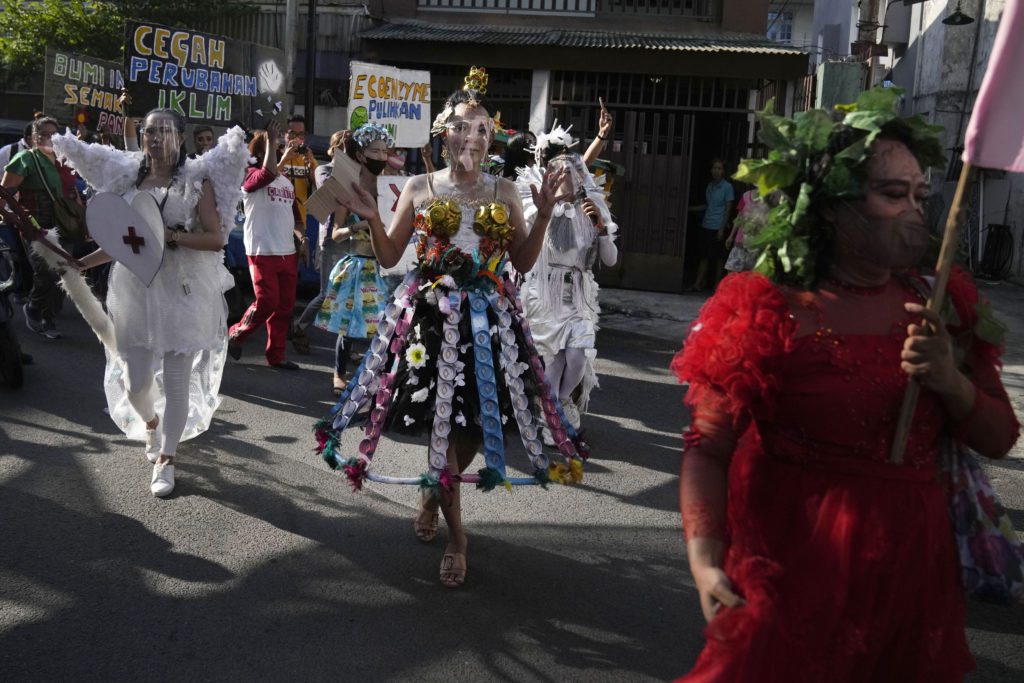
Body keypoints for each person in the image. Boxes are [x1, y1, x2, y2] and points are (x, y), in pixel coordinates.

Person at [671, 91, 1020, 680]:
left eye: (920, 196)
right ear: (833, 207)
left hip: (910, 577)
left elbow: (1000, 436)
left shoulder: (944, 306)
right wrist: (705, 560)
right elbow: (708, 447)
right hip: (785, 571)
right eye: (892, 195)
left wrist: (950, 382)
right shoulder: (764, 307)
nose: (914, 212)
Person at [313, 66, 586, 589]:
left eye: (482, 128)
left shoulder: (506, 190)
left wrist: (546, 213)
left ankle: (434, 493)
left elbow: (524, 264)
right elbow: (393, 254)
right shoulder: (418, 186)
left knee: (472, 429)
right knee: (445, 424)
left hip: (488, 322)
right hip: (432, 323)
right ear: (444, 134)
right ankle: (459, 538)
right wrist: (371, 215)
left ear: (491, 138)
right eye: (463, 126)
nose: (472, 137)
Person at [52, 109, 249, 497]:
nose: (155, 138)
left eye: (164, 131)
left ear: (180, 137)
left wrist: (173, 238)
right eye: (149, 131)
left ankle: (167, 458)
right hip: (134, 291)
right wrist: (80, 263)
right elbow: (123, 244)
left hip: (182, 291)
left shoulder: (197, 180)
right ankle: (152, 424)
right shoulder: (128, 178)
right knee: (135, 381)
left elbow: (215, 239)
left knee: (177, 382)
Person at [519, 124, 618, 435]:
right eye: (558, 174)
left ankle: (562, 402)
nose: (566, 178)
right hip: (544, 291)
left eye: (572, 175)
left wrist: (601, 230)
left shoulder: (593, 210)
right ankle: (550, 414)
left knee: (578, 354)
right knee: (553, 360)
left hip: (576, 295)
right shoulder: (536, 208)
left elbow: (610, 259)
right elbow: (522, 245)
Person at [312, 124, 393, 395]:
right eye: (375, 151)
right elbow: (335, 233)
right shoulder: (345, 188)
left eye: (384, 151)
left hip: (383, 266)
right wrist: (359, 227)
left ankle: (374, 376)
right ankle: (339, 373)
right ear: (361, 155)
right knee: (347, 326)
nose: (381, 157)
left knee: (384, 325)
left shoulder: (391, 187)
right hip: (356, 264)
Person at [227, 122, 305, 370]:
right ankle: (236, 334)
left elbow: (297, 218)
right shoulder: (249, 176)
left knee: (284, 307)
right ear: (261, 151)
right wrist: (272, 140)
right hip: (262, 251)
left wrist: (302, 238)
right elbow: (267, 173)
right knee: (267, 302)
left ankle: (276, 355)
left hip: (287, 252)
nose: (281, 147)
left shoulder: (286, 182)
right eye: (274, 144)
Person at [1, 116, 83, 340]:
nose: (49, 138)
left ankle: (49, 317)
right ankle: (35, 308)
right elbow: (4, 192)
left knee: (64, 271)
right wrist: (8, 217)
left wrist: (82, 220)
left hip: (65, 225)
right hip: (37, 226)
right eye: (44, 134)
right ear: (34, 138)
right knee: (46, 271)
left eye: (54, 134)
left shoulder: (64, 161)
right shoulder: (24, 159)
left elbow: (73, 192)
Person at [291, 129, 350, 356]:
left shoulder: (356, 171)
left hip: (350, 238)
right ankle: (300, 326)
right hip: (330, 239)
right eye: (342, 147)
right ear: (333, 149)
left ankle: (346, 344)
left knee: (349, 293)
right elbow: (331, 196)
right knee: (327, 293)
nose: (346, 151)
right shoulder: (324, 169)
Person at [688, 158, 733, 291]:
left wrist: (721, 229)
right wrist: (689, 209)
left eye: (719, 168)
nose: (716, 171)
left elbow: (728, 209)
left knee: (718, 259)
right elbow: (708, 206)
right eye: (714, 168)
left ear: (723, 171)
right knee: (704, 256)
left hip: (718, 226)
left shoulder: (727, 187)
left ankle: (716, 287)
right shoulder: (710, 186)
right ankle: (698, 284)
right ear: (711, 170)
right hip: (706, 224)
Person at [279, 114, 318, 229]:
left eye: (301, 134)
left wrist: (311, 164)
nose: (296, 138)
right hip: (276, 222)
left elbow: (320, 187)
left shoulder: (307, 158)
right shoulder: (275, 155)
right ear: (284, 134)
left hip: (300, 223)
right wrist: (284, 158)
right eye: (292, 134)